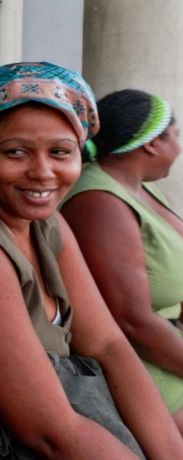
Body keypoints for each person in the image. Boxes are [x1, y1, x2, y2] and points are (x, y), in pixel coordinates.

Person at [0, 63, 183, 459]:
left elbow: (109, 344)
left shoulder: (44, 219)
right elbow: (49, 431)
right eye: (17, 152)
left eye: (60, 152)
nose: (43, 173)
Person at [62, 89, 183, 433]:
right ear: (152, 145)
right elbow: (133, 322)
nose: (179, 145)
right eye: (176, 136)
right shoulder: (100, 202)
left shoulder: (140, 186)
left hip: (166, 342)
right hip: (142, 363)